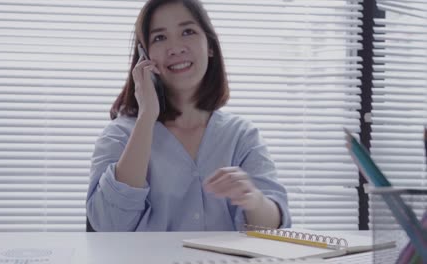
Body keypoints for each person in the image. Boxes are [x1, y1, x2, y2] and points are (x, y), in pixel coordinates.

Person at [86, 0, 291, 232]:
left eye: (188, 31)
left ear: (210, 46)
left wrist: (253, 199)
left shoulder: (241, 136)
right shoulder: (119, 136)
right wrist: (146, 116)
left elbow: (273, 226)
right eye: (159, 38)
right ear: (144, 57)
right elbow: (107, 226)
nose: (176, 47)